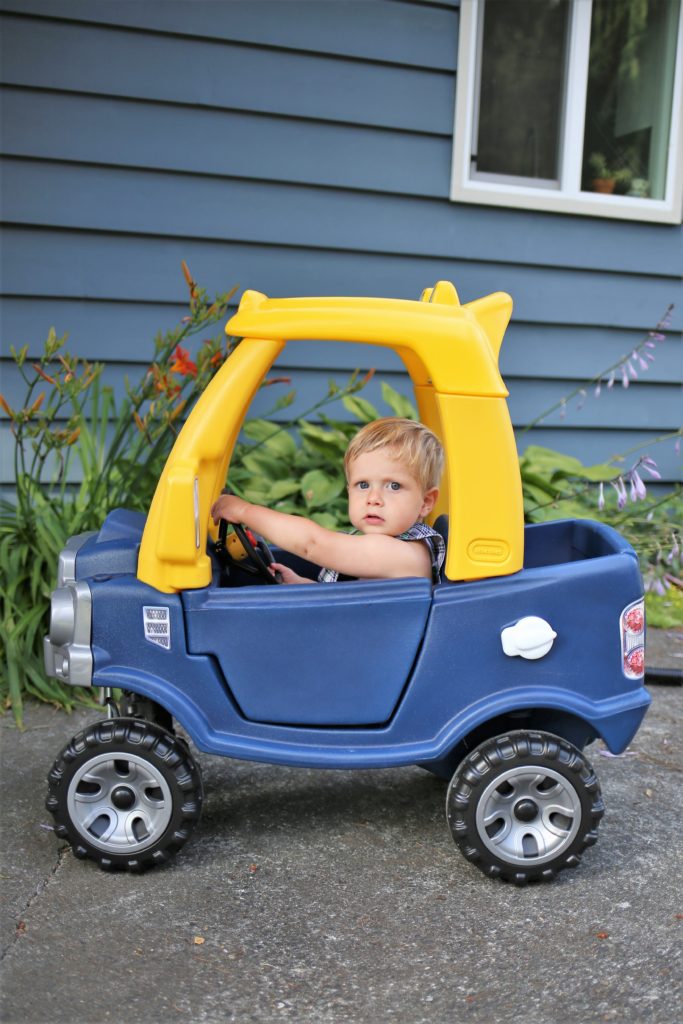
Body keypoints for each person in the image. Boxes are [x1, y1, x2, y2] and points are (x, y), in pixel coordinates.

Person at [211, 417, 445, 584]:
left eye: (394, 486)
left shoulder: (402, 554)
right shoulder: (381, 545)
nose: (374, 499)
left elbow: (312, 543)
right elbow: (359, 604)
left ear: (425, 502)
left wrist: (245, 511)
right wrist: (305, 586)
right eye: (363, 485)